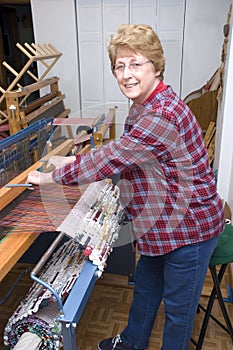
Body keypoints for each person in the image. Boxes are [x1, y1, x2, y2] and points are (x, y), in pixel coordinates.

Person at [27, 24, 225, 350]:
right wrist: (65, 164)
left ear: (156, 67)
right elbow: (127, 155)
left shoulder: (162, 114)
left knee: (178, 315)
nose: (126, 74)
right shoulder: (143, 104)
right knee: (146, 288)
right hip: (159, 225)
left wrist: (51, 176)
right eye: (119, 66)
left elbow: (115, 157)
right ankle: (132, 342)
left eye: (136, 64)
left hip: (190, 230)